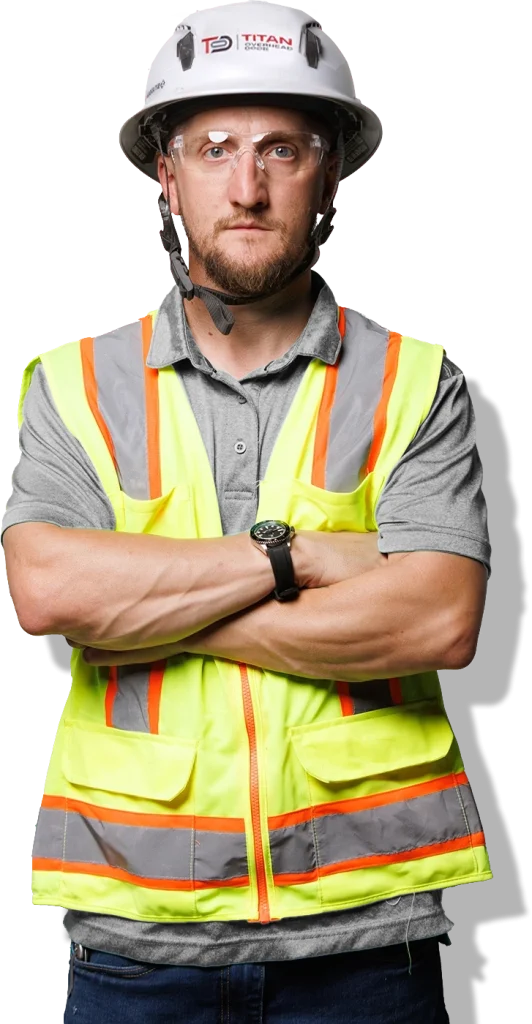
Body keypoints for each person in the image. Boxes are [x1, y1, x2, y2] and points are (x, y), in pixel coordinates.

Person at [4, 4, 492, 1022]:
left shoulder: (415, 377)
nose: (248, 183)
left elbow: (439, 619)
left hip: (370, 931)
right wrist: (296, 557)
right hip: (133, 941)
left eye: (282, 148)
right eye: (213, 147)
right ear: (165, 176)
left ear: (333, 172)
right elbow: (48, 592)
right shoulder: (71, 382)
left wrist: (156, 602)